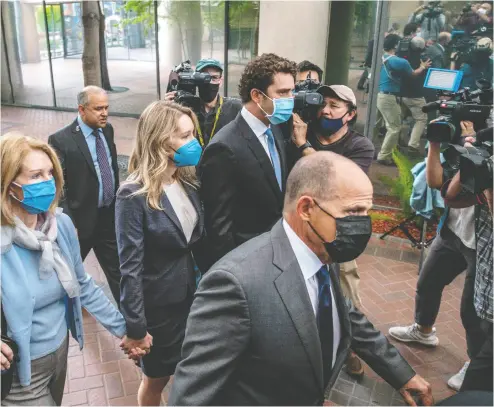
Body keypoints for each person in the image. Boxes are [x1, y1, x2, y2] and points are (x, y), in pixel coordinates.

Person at [168, 151, 434, 406]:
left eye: (367, 212)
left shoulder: (323, 249)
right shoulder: (234, 284)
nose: (363, 224)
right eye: (353, 212)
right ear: (306, 208)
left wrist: (400, 373)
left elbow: (343, 312)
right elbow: (190, 398)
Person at [0, 133, 142, 406]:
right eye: (35, 175)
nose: (47, 183)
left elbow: (82, 284)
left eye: (50, 173)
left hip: (59, 356)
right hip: (20, 375)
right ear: (9, 184)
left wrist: (126, 330)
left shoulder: (59, 226)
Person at [116, 101, 209, 406]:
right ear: (159, 141)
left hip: (190, 298)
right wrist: (136, 327)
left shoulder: (186, 181)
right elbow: (130, 267)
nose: (193, 142)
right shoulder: (132, 195)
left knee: (188, 372)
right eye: (184, 136)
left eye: (192, 133)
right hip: (159, 309)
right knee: (156, 380)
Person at [388, 121, 486, 391]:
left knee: (472, 311)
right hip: (454, 232)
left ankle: (477, 363)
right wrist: (434, 142)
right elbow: (436, 183)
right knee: (428, 282)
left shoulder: (481, 148)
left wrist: (475, 151)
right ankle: (424, 330)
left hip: (483, 245)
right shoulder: (472, 144)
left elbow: (467, 196)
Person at [288, 84, 374, 378]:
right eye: (323, 104)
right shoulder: (303, 129)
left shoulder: (360, 146)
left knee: (345, 289)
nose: (326, 110)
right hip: (300, 228)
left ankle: (350, 347)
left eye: (336, 106)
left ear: (350, 114)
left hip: (339, 232)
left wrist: (302, 146)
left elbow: (338, 183)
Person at [198, 53, 297, 266]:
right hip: (247, 263)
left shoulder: (276, 128)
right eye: (282, 92)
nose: (290, 99)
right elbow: (219, 228)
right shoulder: (224, 147)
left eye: (292, 91)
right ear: (257, 95)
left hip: (275, 252)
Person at [48, 86, 121, 306]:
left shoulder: (107, 130)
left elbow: (112, 166)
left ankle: (131, 319)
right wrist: (69, 223)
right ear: (81, 109)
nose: (104, 113)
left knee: (118, 271)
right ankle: (71, 311)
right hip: (80, 223)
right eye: (98, 108)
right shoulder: (61, 140)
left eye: (106, 107)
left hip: (107, 217)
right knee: (68, 272)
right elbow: (58, 187)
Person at [441, 132, 493, 393]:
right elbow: (451, 196)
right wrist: (470, 158)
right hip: (487, 289)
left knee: (475, 384)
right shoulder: (488, 157)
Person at [376, 34, 431, 165]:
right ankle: (384, 156)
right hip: (389, 97)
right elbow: (413, 74)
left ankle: (378, 150)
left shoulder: (383, 57)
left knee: (380, 125)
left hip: (381, 95)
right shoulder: (400, 61)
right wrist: (423, 66)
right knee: (394, 127)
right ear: (396, 45)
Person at [165, 58, 242, 148]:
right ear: (195, 79)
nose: (209, 81)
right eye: (204, 77)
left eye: (214, 78)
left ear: (220, 81)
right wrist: (167, 109)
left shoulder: (234, 107)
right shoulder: (185, 108)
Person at [397, 34, 428, 157]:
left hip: (401, 93)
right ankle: (413, 146)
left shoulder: (402, 58)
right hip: (415, 95)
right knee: (421, 119)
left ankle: (398, 141)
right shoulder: (423, 60)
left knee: (399, 118)